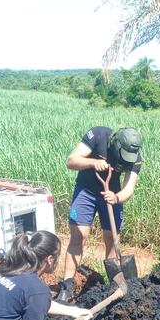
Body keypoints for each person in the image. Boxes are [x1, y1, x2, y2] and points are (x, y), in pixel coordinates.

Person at [57, 127, 143, 302]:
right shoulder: (98, 135)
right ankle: (67, 287)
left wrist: (117, 198)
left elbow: (129, 189)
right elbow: (71, 161)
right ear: (116, 144)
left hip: (111, 195)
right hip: (86, 190)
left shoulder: (135, 158)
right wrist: (93, 163)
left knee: (111, 239)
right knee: (79, 237)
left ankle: (113, 285)